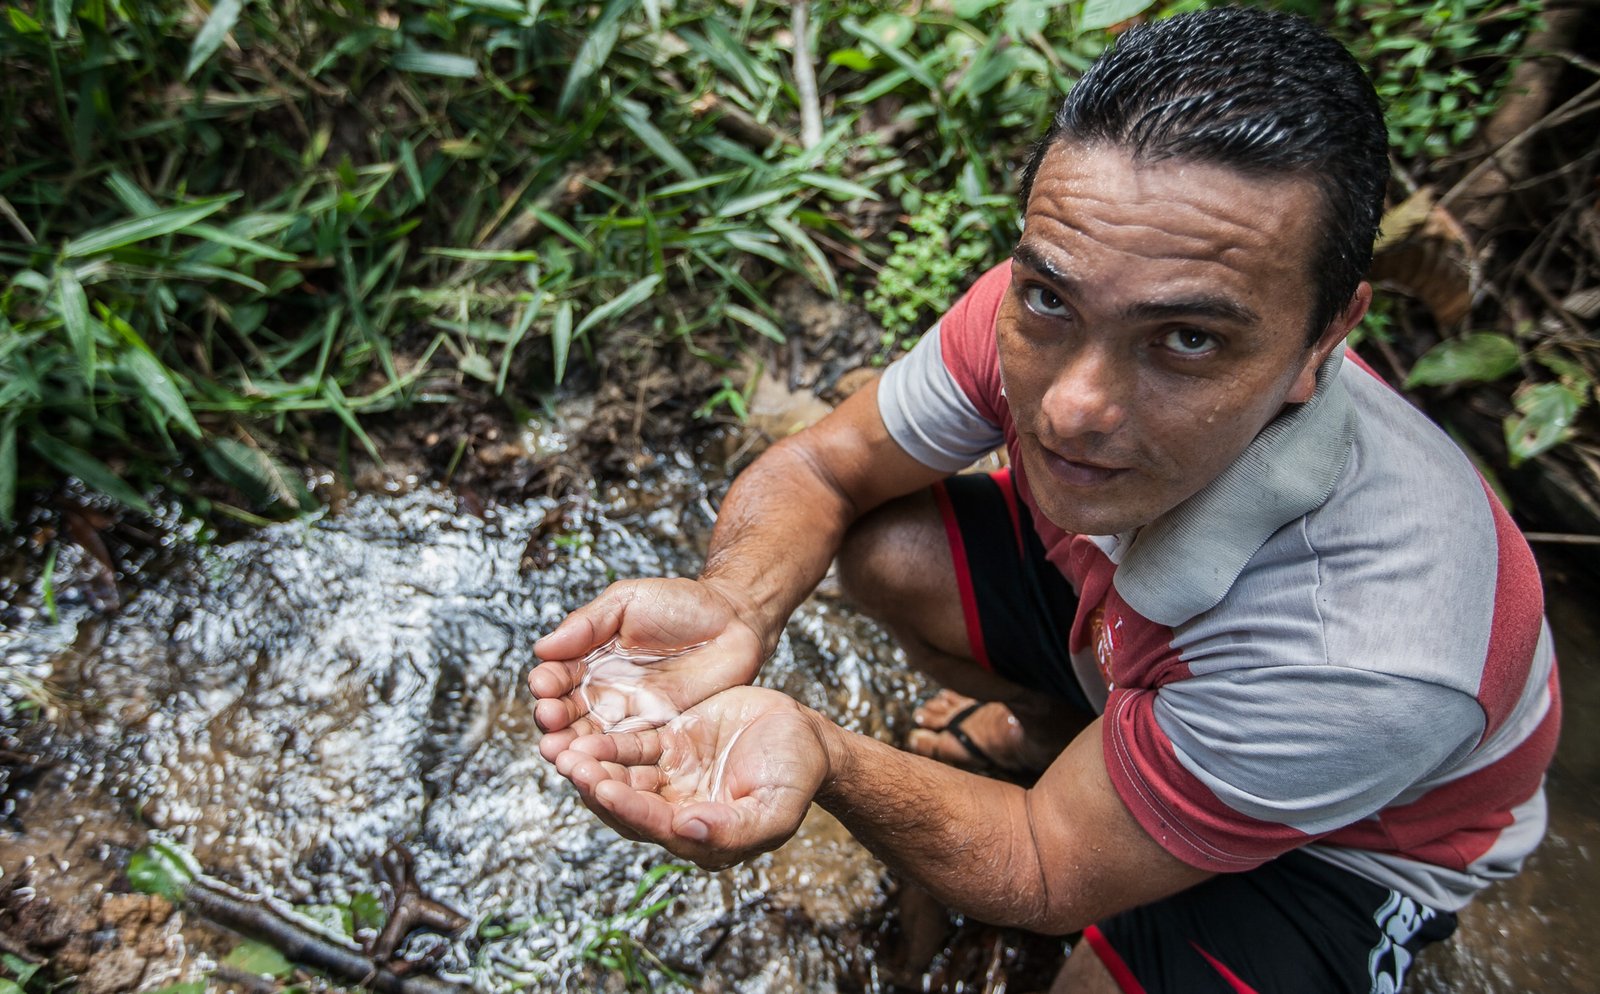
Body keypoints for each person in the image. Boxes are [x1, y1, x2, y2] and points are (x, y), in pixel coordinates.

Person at [527, 7, 1561, 992]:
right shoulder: (1067, 295)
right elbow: (826, 469)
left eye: (1188, 339)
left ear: (1323, 342)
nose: (1070, 407)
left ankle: (1119, 779)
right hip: (1153, 639)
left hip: (1347, 840)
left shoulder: (1368, 656)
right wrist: (736, 603)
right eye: (1050, 298)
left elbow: (1043, 865)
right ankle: (1052, 733)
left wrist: (827, 756)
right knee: (884, 543)